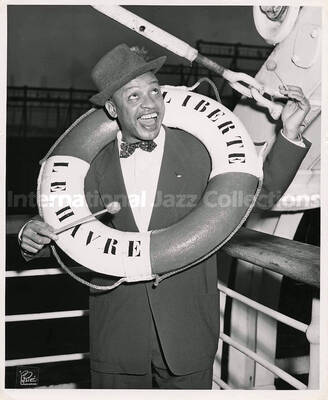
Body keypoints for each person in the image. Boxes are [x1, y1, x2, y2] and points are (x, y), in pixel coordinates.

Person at [18, 44, 311, 389]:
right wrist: (30, 235)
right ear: (112, 108)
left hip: (188, 334)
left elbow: (262, 196)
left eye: (155, 91)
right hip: (117, 335)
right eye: (134, 96)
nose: (149, 104)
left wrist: (290, 133)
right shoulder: (91, 166)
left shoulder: (203, 151)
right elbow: (61, 228)